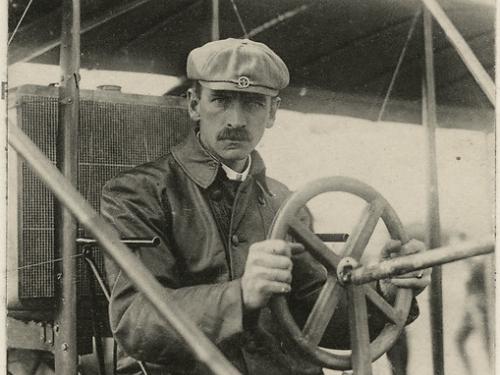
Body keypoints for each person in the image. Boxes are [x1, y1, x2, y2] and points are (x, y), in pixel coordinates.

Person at [100, 38, 431, 375]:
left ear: (272, 112)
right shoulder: (136, 194)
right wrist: (240, 296)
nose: (236, 120)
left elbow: (317, 319)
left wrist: (385, 287)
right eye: (221, 100)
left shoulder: (286, 203)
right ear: (194, 105)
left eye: (254, 103)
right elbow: (136, 321)